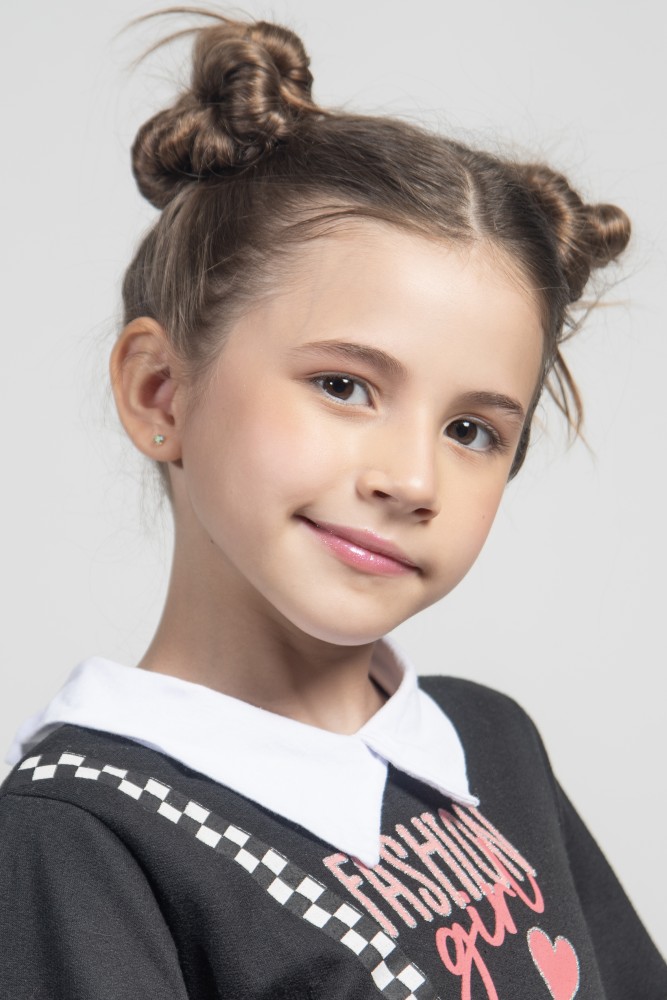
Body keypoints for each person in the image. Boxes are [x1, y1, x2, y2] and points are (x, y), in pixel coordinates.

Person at [1, 10, 664, 1000]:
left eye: (471, 430)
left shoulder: (489, 744)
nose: (412, 479)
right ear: (160, 393)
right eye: (344, 386)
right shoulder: (82, 835)